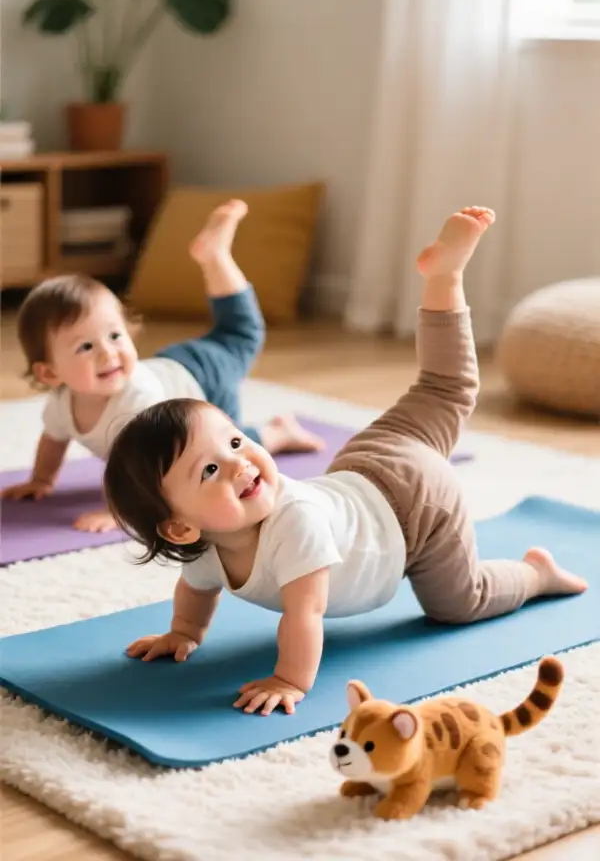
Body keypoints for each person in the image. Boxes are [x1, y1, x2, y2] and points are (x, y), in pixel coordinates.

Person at [102, 206, 588, 715]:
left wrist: (289, 679)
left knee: (460, 603)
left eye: (236, 443)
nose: (239, 464)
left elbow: (305, 613)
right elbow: (197, 590)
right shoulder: (202, 551)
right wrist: (183, 633)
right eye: (209, 470)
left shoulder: (294, 522)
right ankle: (444, 277)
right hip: (367, 466)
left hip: (415, 511)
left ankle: (536, 575)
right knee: (445, 388)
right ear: (180, 529)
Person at [2, 200, 323, 533]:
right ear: (51, 373)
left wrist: (119, 512)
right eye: (86, 347)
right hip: (172, 369)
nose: (108, 353)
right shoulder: (61, 404)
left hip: (202, 381)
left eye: (114, 335)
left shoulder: (137, 402)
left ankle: (276, 432)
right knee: (234, 338)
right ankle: (280, 429)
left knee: (237, 365)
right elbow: (54, 440)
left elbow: (149, 469)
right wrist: (41, 480)